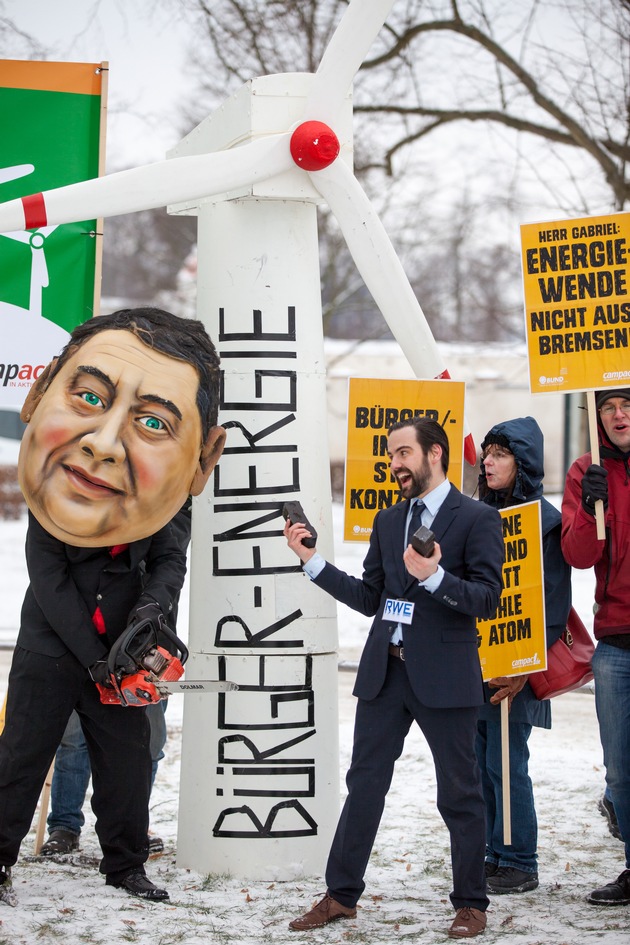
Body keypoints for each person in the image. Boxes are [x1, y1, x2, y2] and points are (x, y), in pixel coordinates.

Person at [0, 308, 225, 905]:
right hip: (52, 651)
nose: (105, 444)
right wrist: (98, 658)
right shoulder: (57, 492)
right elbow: (49, 583)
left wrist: (152, 614)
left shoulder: (170, 498)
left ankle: (125, 864)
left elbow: (171, 559)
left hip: (124, 656)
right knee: (21, 762)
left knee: (126, 769)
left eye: (151, 421)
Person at [284, 417, 504, 939]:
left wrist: (437, 579)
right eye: (390, 455)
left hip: (446, 677)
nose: (394, 464)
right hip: (386, 674)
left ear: (435, 454)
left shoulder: (476, 518)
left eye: (403, 453)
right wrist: (312, 561)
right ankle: (341, 895)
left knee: (460, 793)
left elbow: (488, 599)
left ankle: (471, 903)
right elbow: (372, 597)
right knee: (364, 786)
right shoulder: (387, 520)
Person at [41, 499, 193, 858]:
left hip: (149, 638)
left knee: (150, 740)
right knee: (75, 737)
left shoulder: (170, 507)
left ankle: (134, 825)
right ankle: (64, 825)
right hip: (92, 637)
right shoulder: (102, 503)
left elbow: (172, 557)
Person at [476, 417, 572, 894]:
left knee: (506, 763)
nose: (489, 462)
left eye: (501, 455)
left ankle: (520, 859)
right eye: (487, 454)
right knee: (480, 764)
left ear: (524, 463)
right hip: (478, 665)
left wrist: (523, 672)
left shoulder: (545, 522)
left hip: (519, 667)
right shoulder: (478, 514)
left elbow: (554, 603)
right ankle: (494, 852)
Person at [561, 387, 630, 906]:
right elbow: (580, 556)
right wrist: (590, 505)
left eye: (626, 404)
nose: (618, 415)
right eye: (606, 407)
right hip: (616, 644)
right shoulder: (586, 470)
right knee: (621, 769)